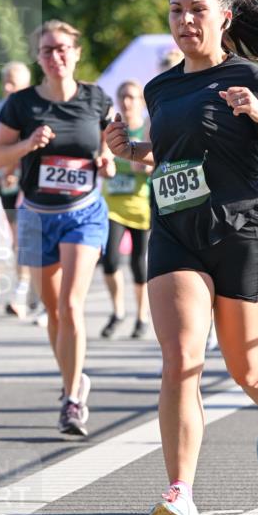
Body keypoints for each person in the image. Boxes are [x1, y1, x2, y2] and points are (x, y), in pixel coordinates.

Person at [106, 0, 258, 515]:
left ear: (224, 16)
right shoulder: (159, 88)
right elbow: (171, 154)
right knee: (181, 359)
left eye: (196, 9)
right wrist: (133, 148)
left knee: (244, 367)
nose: (185, 20)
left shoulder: (251, 75)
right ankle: (181, 495)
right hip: (175, 231)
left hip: (240, 232)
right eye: (176, 10)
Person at [0, 20, 115, 438]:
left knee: (72, 304)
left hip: (83, 212)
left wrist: (107, 160)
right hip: (35, 214)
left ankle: (72, 401)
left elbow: (112, 143)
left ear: (76, 53)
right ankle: (73, 380)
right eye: (46, 51)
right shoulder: (22, 105)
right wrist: (28, 145)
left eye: (62, 49)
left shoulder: (97, 98)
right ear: (38, 58)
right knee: (54, 311)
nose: (55, 57)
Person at [100, 80, 152, 339]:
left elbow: (158, 161)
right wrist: (105, 167)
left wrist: (142, 164)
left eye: (132, 97)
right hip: (113, 206)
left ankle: (141, 316)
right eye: (123, 96)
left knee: (139, 266)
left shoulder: (146, 128)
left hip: (141, 207)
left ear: (140, 101)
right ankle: (118, 311)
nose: (127, 101)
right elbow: (103, 159)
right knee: (109, 261)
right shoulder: (112, 128)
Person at [0, 61, 33, 316]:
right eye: (5, 80)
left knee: (28, 236)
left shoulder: (34, 106)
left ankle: (23, 292)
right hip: (5, 182)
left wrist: (14, 164)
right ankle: (27, 288)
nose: (8, 85)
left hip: (30, 179)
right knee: (18, 238)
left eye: (14, 80)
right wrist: (3, 164)